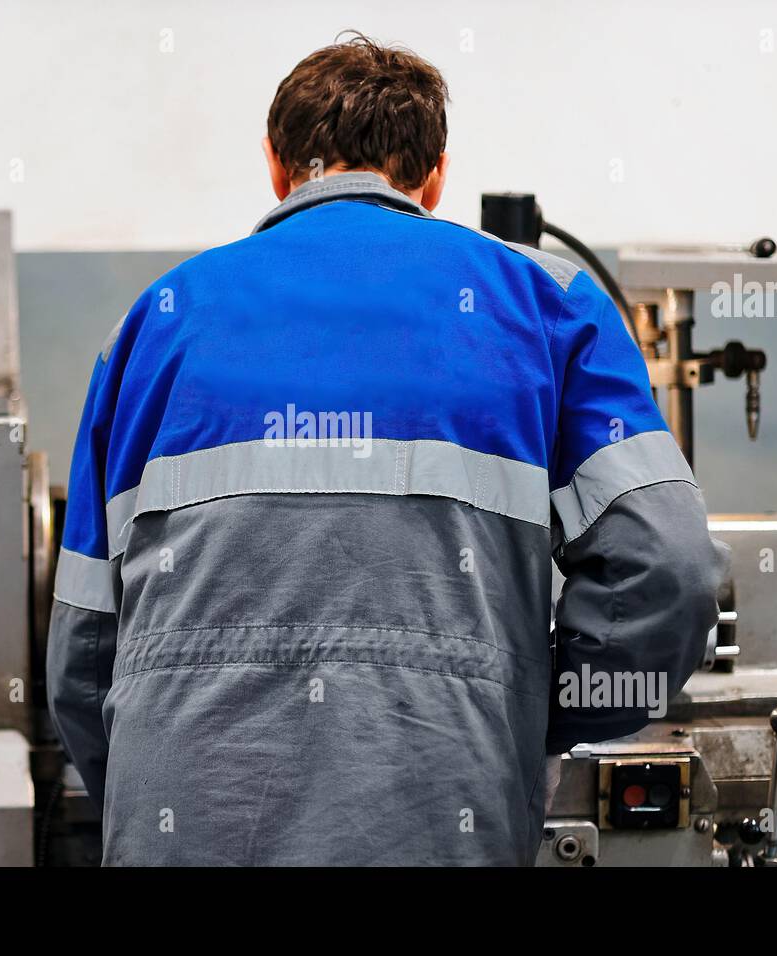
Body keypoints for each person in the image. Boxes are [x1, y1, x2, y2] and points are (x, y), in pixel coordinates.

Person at [47, 32, 728, 865]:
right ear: (436, 176)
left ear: (275, 165)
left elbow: (82, 657)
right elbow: (670, 571)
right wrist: (519, 709)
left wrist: (157, 780)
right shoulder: (548, 305)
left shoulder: (152, 325)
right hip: (440, 814)